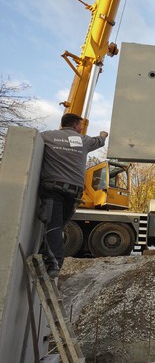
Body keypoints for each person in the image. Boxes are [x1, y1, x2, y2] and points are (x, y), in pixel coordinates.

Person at [39, 113, 108, 277]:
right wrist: (103, 135)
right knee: (58, 226)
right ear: (77, 125)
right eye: (80, 125)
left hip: (53, 188)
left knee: (53, 226)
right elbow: (100, 140)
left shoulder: (47, 136)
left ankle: (52, 261)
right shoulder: (82, 140)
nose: (81, 128)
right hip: (74, 192)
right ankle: (53, 261)